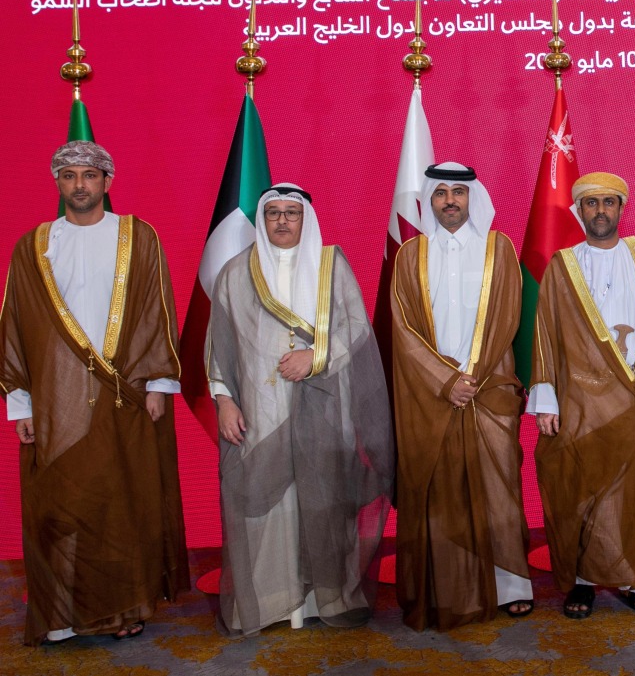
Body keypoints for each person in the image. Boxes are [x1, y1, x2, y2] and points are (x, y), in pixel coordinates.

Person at [0, 141, 189, 646]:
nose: (79, 184)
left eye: (89, 174)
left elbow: (156, 310)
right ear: (57, 183)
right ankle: (63, 611)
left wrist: (158, 384)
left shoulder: (138, 236)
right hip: (54, 399)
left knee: (119, 502)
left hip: (125, 393)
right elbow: (15, 326)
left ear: (107, 181)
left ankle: (121, 608)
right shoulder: (33, 246)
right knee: (60, 503)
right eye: (69, 176)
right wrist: (20, 403)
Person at [206, 183, 394, 636]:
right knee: (269, 505)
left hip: (326, 408)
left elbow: (355, 327)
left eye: (292, 213)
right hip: (261, 410)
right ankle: (271, 601)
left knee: (325, 500)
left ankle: (323, 597)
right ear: (262, 220)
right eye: (273, 213)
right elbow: (218, 345)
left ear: (305, 219)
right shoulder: (235, 273)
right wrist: (224, 400)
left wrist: (316, 357)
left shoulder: (331, 265)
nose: (283, 221)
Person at [528, 172, 635, 619]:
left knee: (634, 492)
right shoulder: (562, 266)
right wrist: (545, 400)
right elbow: (543, 334)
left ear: (621, 208)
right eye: (591, 203)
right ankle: (583, 583)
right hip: (578, 405)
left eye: (608, 202)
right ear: (579, 210)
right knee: (580, 490)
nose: (600, 211)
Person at [391, 163, 532, 630]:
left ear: (474, 197)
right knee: (440, 490)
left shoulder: (499, 248)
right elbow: (403, 328)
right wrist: (445, 380)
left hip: (489, 388)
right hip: (430, 394)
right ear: (429, 200)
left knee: (498, 486)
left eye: (458, 192)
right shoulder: (410, 255)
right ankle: (445, 588)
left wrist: (472, 376)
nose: (450, 200)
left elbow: (509, 316)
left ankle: (511, 585)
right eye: (440, 193)